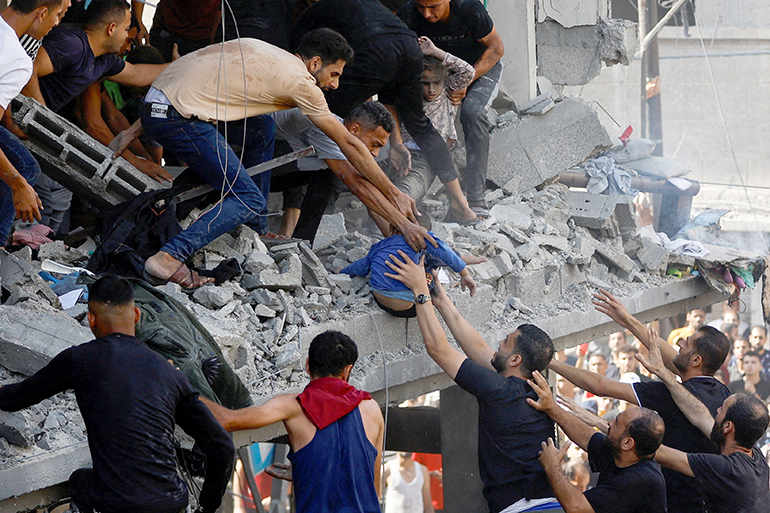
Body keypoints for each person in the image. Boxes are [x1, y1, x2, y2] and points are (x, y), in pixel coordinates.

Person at [116, 28, 423, 288]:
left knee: (261, 124)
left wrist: (131, 131)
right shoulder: (303, 85)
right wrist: (395, 194)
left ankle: (256, 228)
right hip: (178, 119)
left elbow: (188, 75)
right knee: (248, 196)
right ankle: (169, 257)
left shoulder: (259, 49)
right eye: (334, 74)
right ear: (315, 63)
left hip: (155, 108)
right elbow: (350, 145)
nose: (335, 84)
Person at [0, 275, 234, 513]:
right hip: (172, 502)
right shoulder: (170, 373)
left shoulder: (80, 360)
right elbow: (222, 446)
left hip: (117, 504)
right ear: (136, 316)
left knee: (80, 482)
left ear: (91, 320)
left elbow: (14, 398)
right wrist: (207, 507)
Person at [383, 251, 560, 513]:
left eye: (506, 342)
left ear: (515, 360)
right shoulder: (531, 383)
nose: (498, 343)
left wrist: (420, 291)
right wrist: (440, 299)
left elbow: (439, 350)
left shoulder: (499, 390)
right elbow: (479, 350)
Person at [292, 0, 478, 224]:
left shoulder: (307, 18)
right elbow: (388, 92)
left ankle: (307, 231)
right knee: (420, 124)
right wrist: (397, 143)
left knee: (329, 132)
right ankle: (460, 203)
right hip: (409, 47)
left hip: (374, 48)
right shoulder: (370, 9)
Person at [550, 289, 731, 513]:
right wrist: (627, 320)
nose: (680, 342)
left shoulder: (669, 395)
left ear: (696, 360)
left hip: (679, 502)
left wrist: (551, 362)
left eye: (688, 342)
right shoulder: (720, 392)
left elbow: (600, 386)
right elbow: (674, 359)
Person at [202, 331, 385, 513]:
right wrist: (310, 469)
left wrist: (179, 383)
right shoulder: (372, 409)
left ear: (307, 365)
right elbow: (371, 486)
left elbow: (225, 420)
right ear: (347, 370)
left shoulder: (293, 406)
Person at [22, 0, 173, 182]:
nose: (127, 40)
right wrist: (46, 122)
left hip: (40, 130)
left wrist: (181, 66)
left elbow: (139, 74)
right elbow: (29, 68)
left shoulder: (104, 60)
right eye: (126, 31)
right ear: (111, 29)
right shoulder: (73, 44)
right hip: (20, 121)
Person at [635, 334, 770, 513]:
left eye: (722, 410)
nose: (716, 411)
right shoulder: (755, 458)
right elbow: (699, 415)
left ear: (728, 427)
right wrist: (665, 376)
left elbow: (665, 455)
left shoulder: (726, 468)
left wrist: (615, 429)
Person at [269, 101, 433, 247]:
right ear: (354, 129)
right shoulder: (325, 128)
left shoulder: (338, 139)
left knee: (332, 173)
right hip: (253, 171)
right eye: (374, 144)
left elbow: (369, 195)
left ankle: (302, 245)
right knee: (337, 174)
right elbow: (358, 185)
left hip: (277, 171)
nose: (375, 153)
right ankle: (283, 238)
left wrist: (398, 238)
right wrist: (405, 225)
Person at [398, 0, 505, 219]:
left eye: (434, 6)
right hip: (435, 76)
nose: (426, 14)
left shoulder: (468, 9)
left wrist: (466, 81)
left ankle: (475, 198)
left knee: (472, 112)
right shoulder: (407, 14)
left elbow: (496, 49)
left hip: (478, 68)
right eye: (421, 7)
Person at [527, 370, 667, 513]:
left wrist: (552, 466)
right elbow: (587, 436)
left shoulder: (640, 480)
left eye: (617, 423)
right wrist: (552, 408)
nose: (609, 423)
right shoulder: (622, 453)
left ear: (628, 444)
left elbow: (577, 507)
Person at [383, 36, 476, 222]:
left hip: (428, 160)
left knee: (406, 190)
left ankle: (397, 223)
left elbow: (468, 71)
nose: (431, 89)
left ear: (444, 80)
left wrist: (434, 51)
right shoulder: (410, 94)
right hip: (397, 152)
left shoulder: (449, 90)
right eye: (425, 83)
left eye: (436, 83)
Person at [0, 0, 65, 244]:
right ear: (42, 13)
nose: (57, 23)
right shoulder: (17, 60)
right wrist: (17, 185)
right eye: (58, 14)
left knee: (25, 164)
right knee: (23, 169)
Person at [341, 216, 480, 317]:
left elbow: (361, 266)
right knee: (432, 261)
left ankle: (460, 257)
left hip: (380, 298)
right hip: (409, 306)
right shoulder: (422, 238)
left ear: (391, 229)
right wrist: (464, 273)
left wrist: (342, 272)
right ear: (426, 233)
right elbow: (443, 251)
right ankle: (461, 258)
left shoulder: (379, 245)